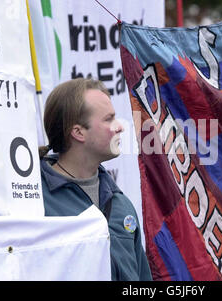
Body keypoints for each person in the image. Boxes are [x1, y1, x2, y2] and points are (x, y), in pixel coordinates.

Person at [38, 78, 152, 281]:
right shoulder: (36, 202)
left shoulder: (122, 205)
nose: (120, 127)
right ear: (78, 132)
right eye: (108, 119)